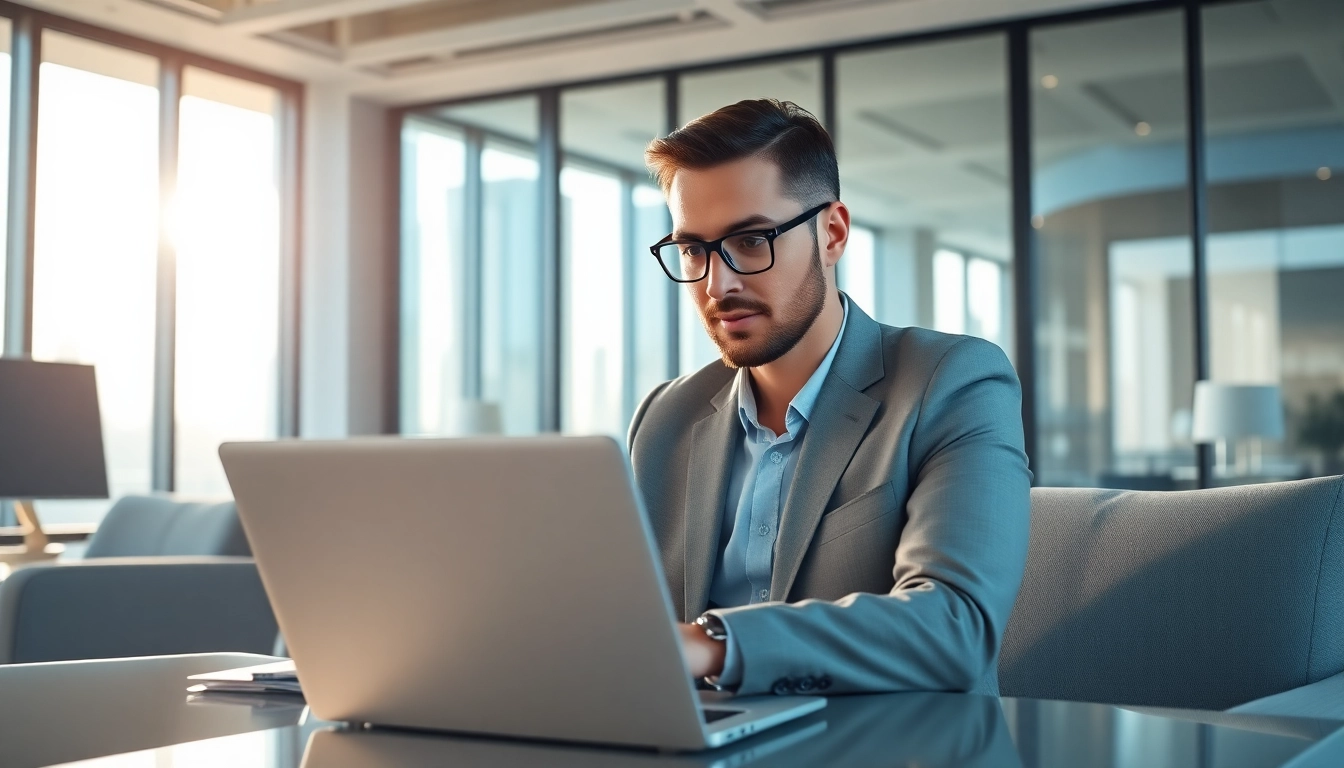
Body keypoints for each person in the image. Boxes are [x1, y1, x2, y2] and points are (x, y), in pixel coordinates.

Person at [627, 98, 1031, 696]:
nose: (719, 284)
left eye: (751, 239)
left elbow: (955, 627)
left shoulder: (953, 381)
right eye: (693, 249)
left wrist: (711, 646)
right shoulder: (668, 416)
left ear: (833, 233)